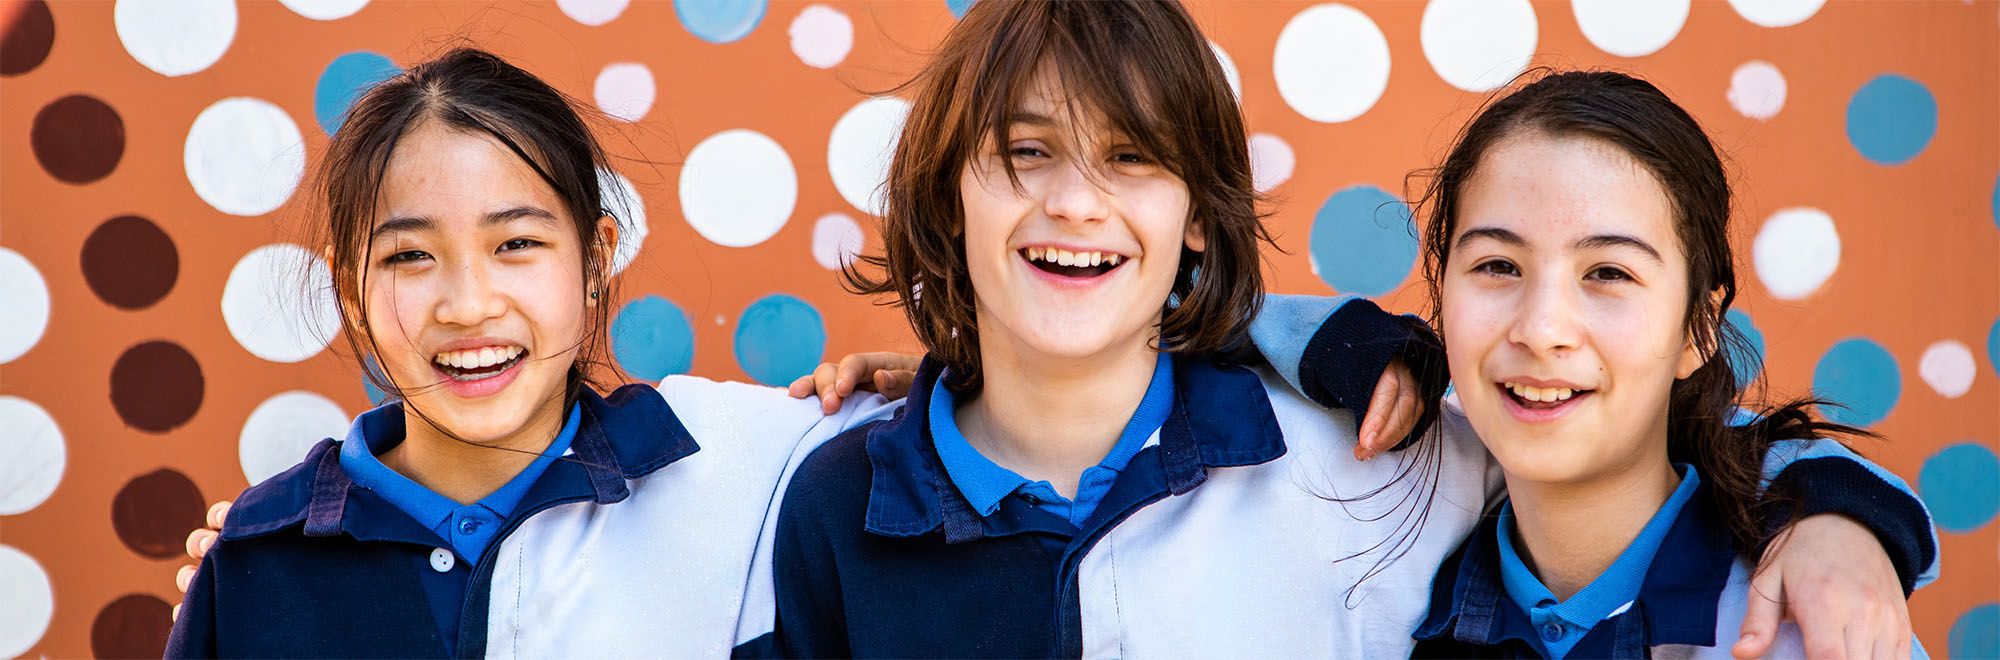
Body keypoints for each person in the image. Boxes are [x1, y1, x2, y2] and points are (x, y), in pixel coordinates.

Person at [163, 43, 1428, 659]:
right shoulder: (266, 558)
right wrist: (273, 540)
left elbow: (1049, 357)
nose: (464, 304)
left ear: (597, 259)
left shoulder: (740, 457)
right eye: (407, 258)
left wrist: (1333, 338)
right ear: (348, 288)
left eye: (514, 246)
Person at [760, 2, 1934, 658]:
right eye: (1024, 156)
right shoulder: (833, 490)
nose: (1074, 202)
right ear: (940, 200)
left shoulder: (1386, 463)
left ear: (1199, 224)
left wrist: (1842, 518)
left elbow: (1662, 450)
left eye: (1130, 159)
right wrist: (978, 356)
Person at [1393, 70, 1931, 659]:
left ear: (1698, 331)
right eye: (1498, 266)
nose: (1541, 330)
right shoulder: (1387, 598)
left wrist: (1835, 514)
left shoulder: (1808, 628)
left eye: (1609, 273)